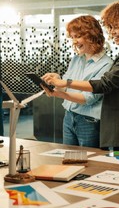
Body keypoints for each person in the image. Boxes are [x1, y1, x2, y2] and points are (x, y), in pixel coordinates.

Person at [44, 1, 119, 153]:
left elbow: (103, 85)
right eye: (110, 27)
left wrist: (64, 84)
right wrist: (58, 82)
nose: (111, 32)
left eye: (115, 27)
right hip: (78, 118)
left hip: (118, 126)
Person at [42, 15, 113, 148]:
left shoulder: (106, 64)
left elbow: (88, 99)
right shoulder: (76, 59)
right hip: (69, 117)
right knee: (69, 160)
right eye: (72, 37)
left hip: (89, 122)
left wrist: (59, 94)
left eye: (78, 36)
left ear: (92, 36)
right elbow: (66, 86)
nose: (74, 41)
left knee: (90, 164)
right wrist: (56, 81)